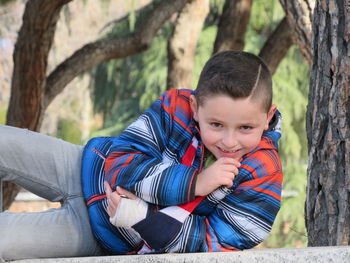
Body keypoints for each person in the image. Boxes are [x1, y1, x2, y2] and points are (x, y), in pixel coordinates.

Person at [0, 50, 283, 261]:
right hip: (82, 166)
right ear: (196, 107)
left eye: (246, 128)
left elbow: (216, 246)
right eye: (216, 125)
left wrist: (143, 218)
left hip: (97, 232)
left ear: (267, 118)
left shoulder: (264, 174)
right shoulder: (176, 108)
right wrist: (194, 183)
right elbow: (123, 163)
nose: (229, 141)